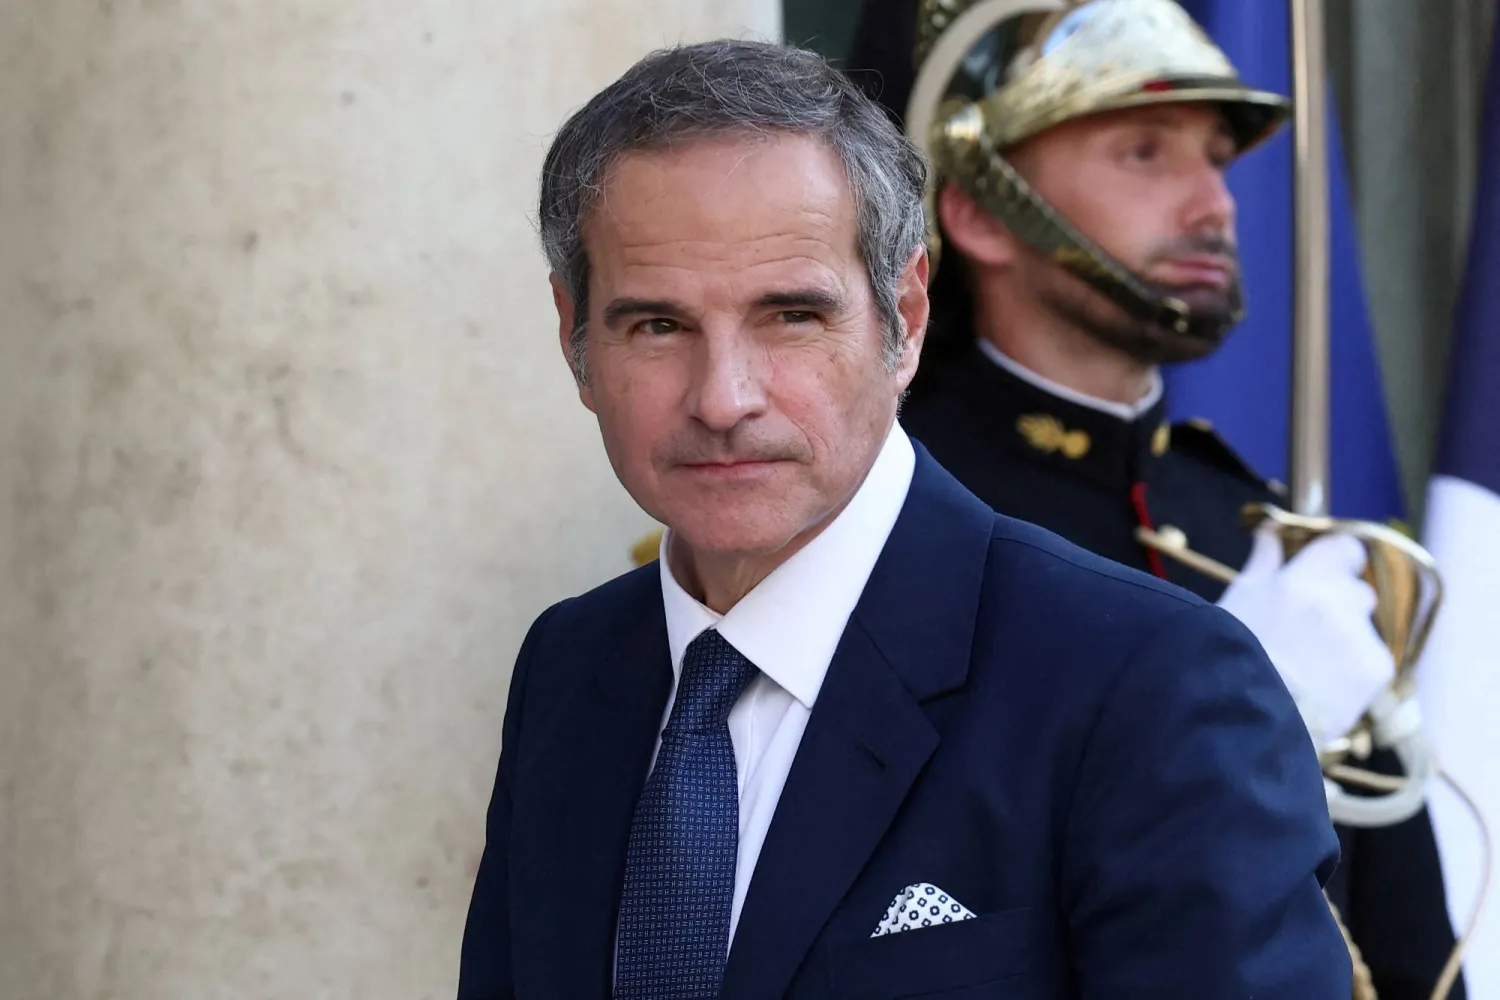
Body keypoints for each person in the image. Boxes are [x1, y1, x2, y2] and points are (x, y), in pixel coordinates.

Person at [457, 37, 1351, 999]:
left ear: (906, 317)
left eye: (791, 316)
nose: (723, 398)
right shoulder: (569, 664)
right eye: (659, 325)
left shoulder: (1144, 683)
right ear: (573, 336)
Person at [845, 0, 1464, 996]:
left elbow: (1414, 951)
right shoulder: (882, 522)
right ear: (980, 208)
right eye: (1143, 151)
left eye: (1215, 157)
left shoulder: (1252, 523)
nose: (1214, 202)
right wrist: (1252, 727)